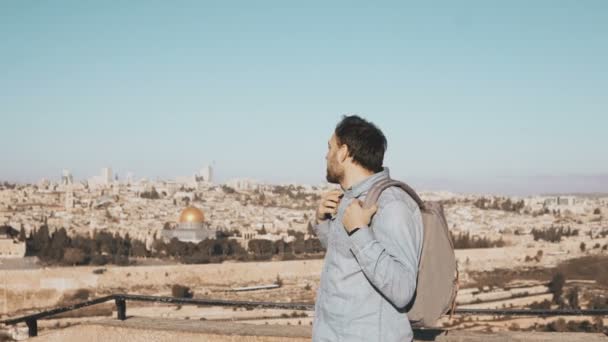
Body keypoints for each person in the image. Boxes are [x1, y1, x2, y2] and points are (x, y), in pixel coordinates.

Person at [312, 115, 424, 342]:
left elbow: (402, 290)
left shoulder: (392, 205)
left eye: (329, 147)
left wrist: (359, 231)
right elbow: (346, 259)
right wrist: (322, 222)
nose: (326, 155)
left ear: (343, 152)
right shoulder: (350, 200)